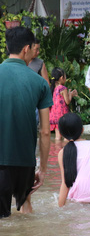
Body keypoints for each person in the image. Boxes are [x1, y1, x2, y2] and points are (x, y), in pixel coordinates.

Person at [0, 26, 52, 218]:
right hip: (25, 161)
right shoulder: (40, 83)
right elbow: (45, 132)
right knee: (25, 203)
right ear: (26, 49)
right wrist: (43, 170)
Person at [50, 67, 78, 141]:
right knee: (66, 137)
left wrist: (69, 93)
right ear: (62, 77)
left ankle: (56, 151)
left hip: (54, 116)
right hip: (62, 116)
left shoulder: (53, 88)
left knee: (57, 137)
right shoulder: (62, 88)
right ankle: (65, 151)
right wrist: (71, 94)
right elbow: (67, 101)